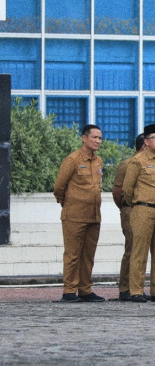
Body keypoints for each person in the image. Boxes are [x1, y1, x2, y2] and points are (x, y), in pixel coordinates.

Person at [53, 124, 105, 303]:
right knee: (73, 254)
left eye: (100, 138)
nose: (98, 141)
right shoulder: (73, 160)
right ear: (84, 138)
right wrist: (67, 204)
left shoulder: (98, 161)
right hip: (74, 215)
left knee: (88, 255)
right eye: (95, 137)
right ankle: (69, 291)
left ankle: (85, 289)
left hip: (93, 215)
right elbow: (59, 187)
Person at [122, 123, 155, 303]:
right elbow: (127, 189)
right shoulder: (138, 161)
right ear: (146, 141)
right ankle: (135, 290)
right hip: (143, 209)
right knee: (139, 251)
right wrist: (137, 203)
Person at [112, 133, 144, 301]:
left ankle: (137, 287)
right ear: (144, 145)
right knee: (132, 249)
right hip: (131, 210)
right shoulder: (127, 165)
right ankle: (125, 288)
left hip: (145, 212)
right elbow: (117, 192)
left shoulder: (154, 163)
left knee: (141, 250)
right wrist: (126, 208)